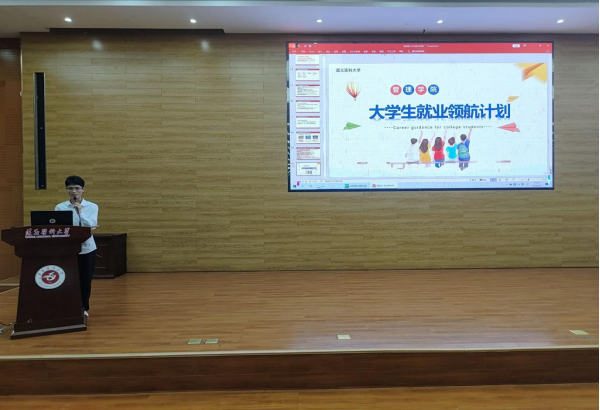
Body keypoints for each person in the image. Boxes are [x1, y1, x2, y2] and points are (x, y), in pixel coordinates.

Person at [55, 176, 99, 317]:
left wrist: (80, 212)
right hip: (68, 249)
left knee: (85, 279)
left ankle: (84, 307)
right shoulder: (60, 207)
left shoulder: (92, 206)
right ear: (66, 190)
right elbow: (58, 227)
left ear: (83, 189)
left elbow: (91, 225)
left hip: (87, 248)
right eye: (70, 188)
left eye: (77, 188)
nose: (74, 191)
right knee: (68, 279)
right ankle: (68, 306)